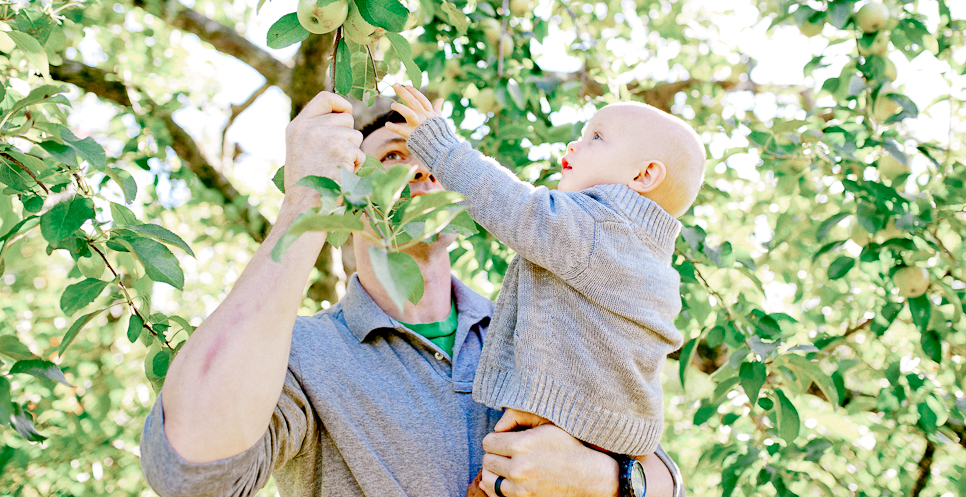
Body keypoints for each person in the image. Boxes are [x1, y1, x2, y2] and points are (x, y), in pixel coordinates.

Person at [139, 91, 686, 497]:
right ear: (346, 193)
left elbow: (661, 472)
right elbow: (190, 473)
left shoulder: (538, 323)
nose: (422, 166)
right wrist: (304, 199)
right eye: (394, 156)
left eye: (430, 154)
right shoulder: (302, 356)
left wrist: (607, 479)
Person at [389, 85, 705, 487]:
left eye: (597, 137)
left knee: (497, 481)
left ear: (643, 175)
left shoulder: (597, 229)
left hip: (562, 427)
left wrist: (442, 148)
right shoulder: (650, 259)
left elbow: (514, 206)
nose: (576, 142)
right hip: (611, 441)